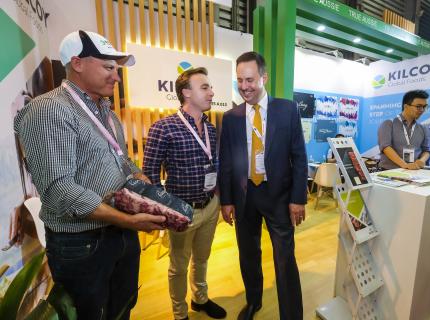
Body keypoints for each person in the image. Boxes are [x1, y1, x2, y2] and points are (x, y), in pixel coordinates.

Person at [13, 30, 166, 320]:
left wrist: (136, 175)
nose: (117, 77)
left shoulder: (106, 111)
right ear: (77, 63)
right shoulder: (48, 110)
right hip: (82, 244)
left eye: (117, 70)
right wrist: (129, 220)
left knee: (122, 308)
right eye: (109, 67)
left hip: (120, 234)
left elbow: (118, 159)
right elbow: (61, 191)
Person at [219, 51, 307, 320]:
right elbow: (226, 162)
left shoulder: (287, 109)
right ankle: (253, 301)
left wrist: (298, 198)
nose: (244, 87)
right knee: (248, 254)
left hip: (278, 196)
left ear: (263, 77)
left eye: (250, 80)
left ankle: (291, 315)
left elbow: (299, 156)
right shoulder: (231, 117)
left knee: (284, 258)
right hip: (245, 195)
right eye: (239, 81)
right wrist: (226, 200)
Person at [143, 67, 226, 320]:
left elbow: (215, 166)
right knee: (178, 267)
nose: (212, 92)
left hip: (210, 206)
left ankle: (200, 299)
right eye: (205, 87)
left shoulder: (211, 129)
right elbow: (150, 175)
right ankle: (179, 314)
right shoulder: (163, 128)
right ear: (186, 92)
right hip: (181, 210)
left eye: (210, 87)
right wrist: (163, 212)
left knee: (202, 259)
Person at [378, 90, 430, 170]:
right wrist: (405, 165)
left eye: (424, 107)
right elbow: (386, 147)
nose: (422, 110)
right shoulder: (389, 123)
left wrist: (422, 161)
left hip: (414, 172)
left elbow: (426, 150)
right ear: (406, 106)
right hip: (390, 172)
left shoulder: (421, 128)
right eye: (418, 106)